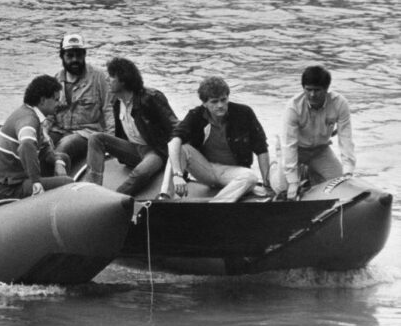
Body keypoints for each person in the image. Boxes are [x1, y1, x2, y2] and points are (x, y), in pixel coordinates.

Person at [85, 57, 178, 196]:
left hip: (156, 151)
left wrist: (178, 161)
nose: (107, 80)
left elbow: (175, 126)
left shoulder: (151, 98)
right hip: (133, 148)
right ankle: (92, 191)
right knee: (95, 138)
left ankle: (114, 199)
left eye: (111, 77)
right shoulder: (117, 101)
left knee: (140, 173)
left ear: (123, 80)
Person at [168, 76, 269, 203]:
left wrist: (266, 181)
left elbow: (261, 148)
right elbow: (174, 141)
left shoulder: (244, 113)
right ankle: (167, 199)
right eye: (214, 102)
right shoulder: (196, 115)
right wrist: (177, 175)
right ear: (204, 103)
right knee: (180, 148)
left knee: (251, 177)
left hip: (233, 172)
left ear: (228, 98)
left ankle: (215, 205)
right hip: (206, 169)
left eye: (223, 100)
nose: (220, 105)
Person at [0, 75, 74, 199]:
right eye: (56, 99)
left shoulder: (32, 114)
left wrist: (57, 161)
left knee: (63, 158)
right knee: (68, 183)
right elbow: (26, 145)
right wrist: (36, 182)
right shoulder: (29, 120)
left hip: (15, 176)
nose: (59, 103)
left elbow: (45, 148)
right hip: (9, 186)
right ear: (42, 100)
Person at [280, 65, 355, 200]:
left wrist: (348, 170)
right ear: (303, 88)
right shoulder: (293, 107)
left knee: (342, 185)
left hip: (320, 151)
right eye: (308, 90)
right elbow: (289, 144)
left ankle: (311, 173)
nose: (312, 94)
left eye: (317, 90)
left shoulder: (340, 104)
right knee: (281, 189)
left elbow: (346, 138)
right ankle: (278, 166)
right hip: (296, 150)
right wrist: (292, 181)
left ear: (326, 89)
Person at [49, 33, 114, 168]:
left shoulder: (99, 77)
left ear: (84, 55)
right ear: (62, 56)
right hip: (59, 129)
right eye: (70, 56)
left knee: (65, 146)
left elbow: (108, 109)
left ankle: (59, 181)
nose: (75, 60)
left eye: (79, 55)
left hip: (86, 133)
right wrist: (43, 133)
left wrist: (110, 140)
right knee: (39, 143)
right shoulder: (56, 79)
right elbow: (49, 113)